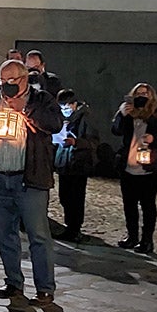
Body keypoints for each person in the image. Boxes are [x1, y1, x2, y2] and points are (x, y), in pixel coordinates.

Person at [0, 59, 63, 306]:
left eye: (12, 81)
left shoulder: (41, 100)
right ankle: (13, 282)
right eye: (3, 80)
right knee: (3, 235)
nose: (7, 85)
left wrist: (25, 109)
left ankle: (44, 289)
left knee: (38, 235)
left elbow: (54, 125)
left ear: (24, 78)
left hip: (28, 179)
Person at [111, 82, 157, 253]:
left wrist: (154, 139)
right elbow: (116, 131)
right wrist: (121, 115)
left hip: (149, 167)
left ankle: (147, 240)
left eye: (145, 93)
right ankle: (132, 237)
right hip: (128, 166)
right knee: (129, 204)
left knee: (147, 205)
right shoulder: (129, 113)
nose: (141, 96)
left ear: (151, 96)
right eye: (138, 93)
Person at [53, 89, 100, 243]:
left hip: (79, 162)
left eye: (66, 107)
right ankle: (69, 226)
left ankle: (75, 229)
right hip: (64, 161)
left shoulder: (85, 117)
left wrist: (76, 142)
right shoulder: (62, 117)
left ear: (74, 104)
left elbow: (94, 141)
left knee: (76, 197)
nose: (64, 111)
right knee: (64, 196)